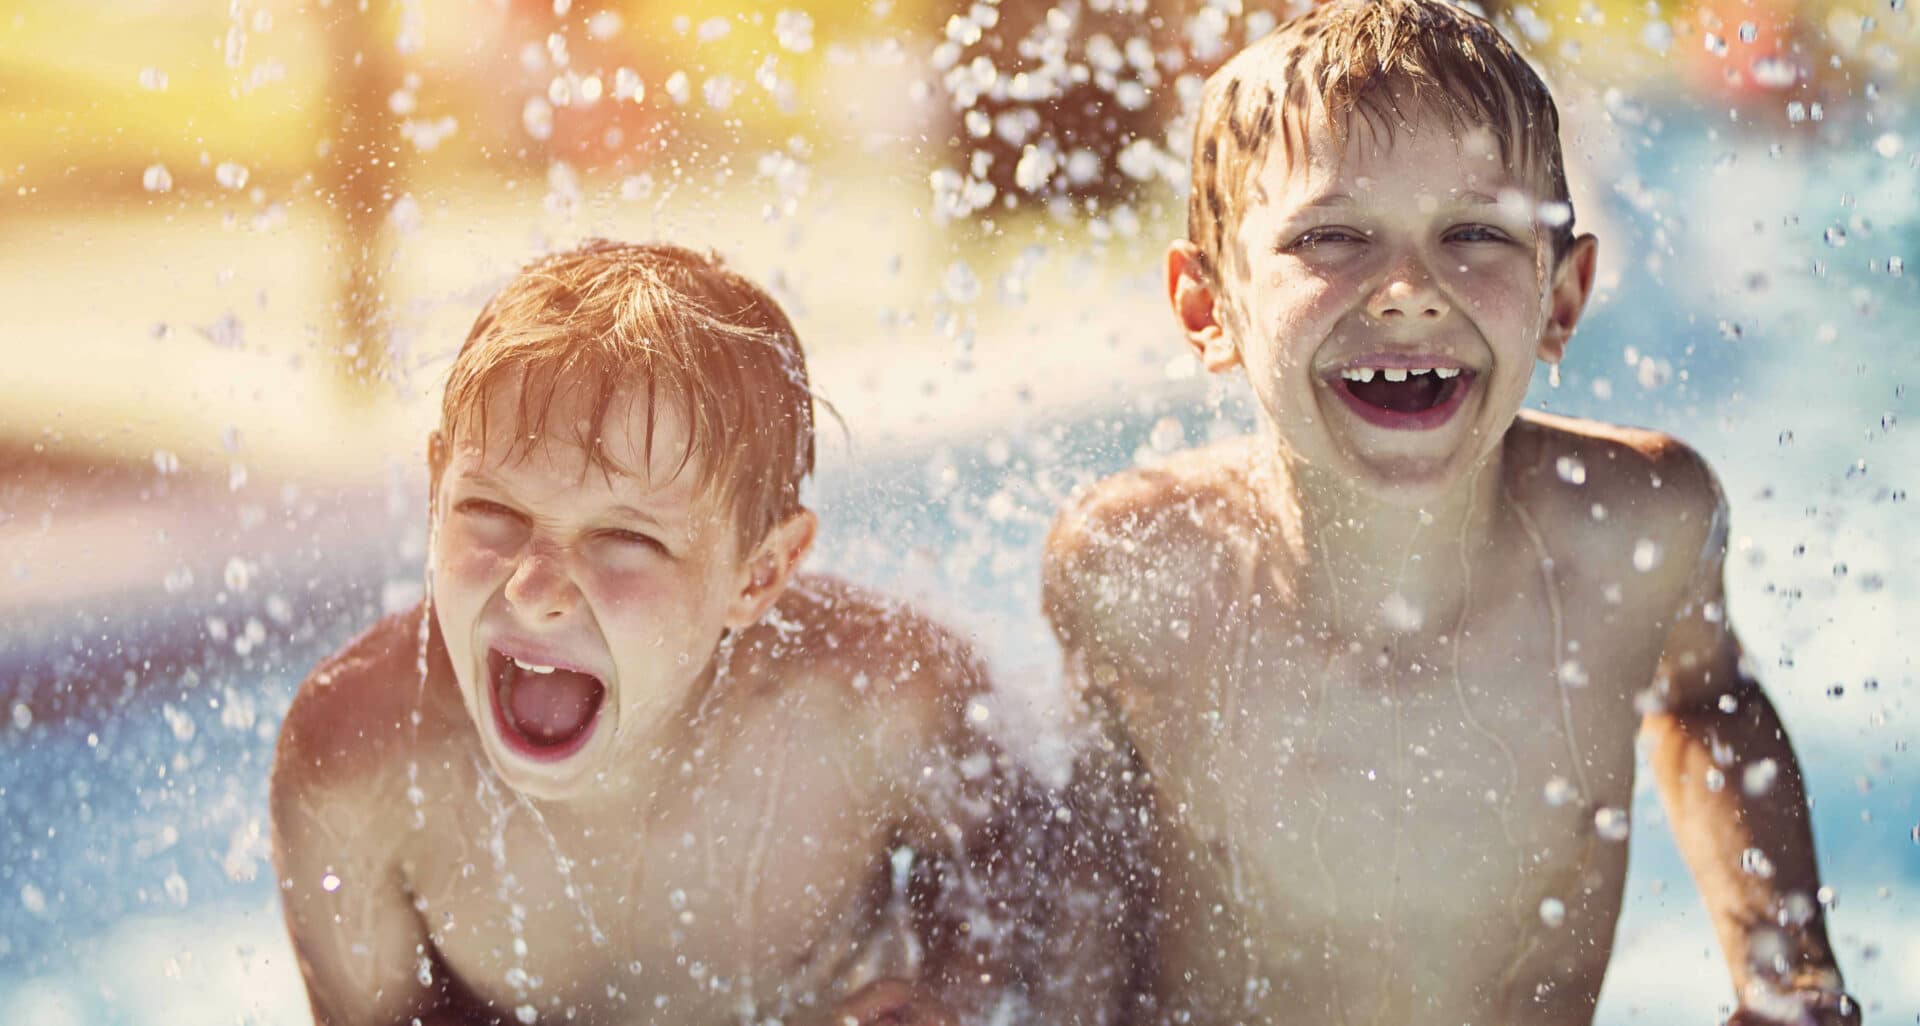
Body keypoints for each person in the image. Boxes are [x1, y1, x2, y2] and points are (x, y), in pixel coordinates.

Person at [1041, 2, 1855, 1023]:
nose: (1409, 289)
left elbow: (1707, 701)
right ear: (1209, 309)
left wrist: (1787, 969)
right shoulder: (1141, 566)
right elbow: (1075, 874)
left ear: (1564, 298)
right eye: (1333, 235)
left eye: (1475, 233)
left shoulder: (1632, 529)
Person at [272, 241, 1129, 1026]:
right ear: (435, 490)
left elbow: (1024, 879)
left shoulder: (882, 702)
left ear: (758, 575)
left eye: (626, 541)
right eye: (491, 512)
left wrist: (945, 994)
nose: (534, 591)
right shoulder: (357, 757)